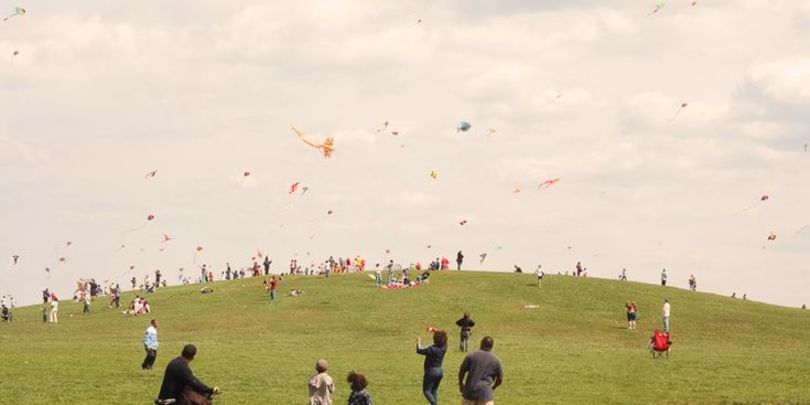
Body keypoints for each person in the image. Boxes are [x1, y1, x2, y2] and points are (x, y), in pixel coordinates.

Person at [458, 336, 504, 405]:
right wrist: (493, 388)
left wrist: (461, 383)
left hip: (470, 392)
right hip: (486, 394)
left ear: (481, 344)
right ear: (491, 346)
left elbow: (462, 371)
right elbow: (500, 378)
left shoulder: (471, 356)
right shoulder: (496, 360)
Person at [416, 330, 448, 405]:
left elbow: (419, 350)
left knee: (426, 391)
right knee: (433, 390)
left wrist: (418, 342)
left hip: (431, 372)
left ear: (434, 339)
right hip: (440, 371)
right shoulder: (444, 347)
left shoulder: (431, 349)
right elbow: (444, 337)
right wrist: (434, 330)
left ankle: (433, 402)